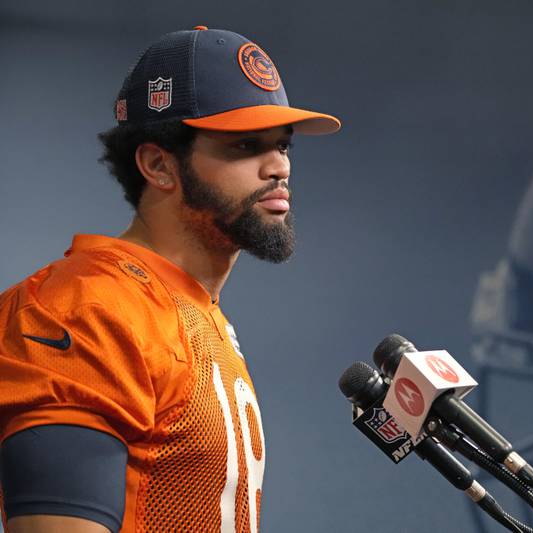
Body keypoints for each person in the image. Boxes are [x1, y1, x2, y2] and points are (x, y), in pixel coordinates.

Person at [0, 26, 340, 533]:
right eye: (246, 145)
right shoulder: (83, 308)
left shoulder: (193, 310)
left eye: (283, 146)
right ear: (159, 164)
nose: (278, 168)